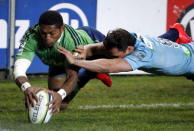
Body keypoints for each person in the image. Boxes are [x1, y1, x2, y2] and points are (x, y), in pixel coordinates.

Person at [13, 10, 112, 113]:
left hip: (91, 42)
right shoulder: (31, 37)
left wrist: (60, 95)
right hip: (58, 60)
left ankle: (91, 72)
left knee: (114, 55)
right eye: (43, 33)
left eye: (52, 33)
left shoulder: (72, 43)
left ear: (62, 29)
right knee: (59, 104)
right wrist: (27, 88)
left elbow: (72, 76)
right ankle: (91, 73)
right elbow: (18, 70)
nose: (47, 38)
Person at [57, 23, 194, 80]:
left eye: (113, 55)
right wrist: (85, 50)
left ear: (128, 49)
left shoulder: (141, 55)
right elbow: (98, 47)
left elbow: (108, 65)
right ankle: (175, 31)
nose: (108, 55)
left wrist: (76, 61)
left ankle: (175, 32)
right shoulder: (130, 38)